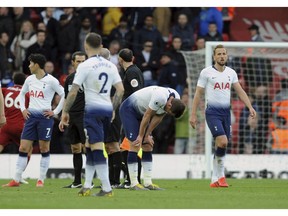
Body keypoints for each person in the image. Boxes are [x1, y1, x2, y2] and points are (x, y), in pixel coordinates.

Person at [60, 32, 124, 197]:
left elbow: (73, 92)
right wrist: (113, 108)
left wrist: (65, 111)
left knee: (96, 147)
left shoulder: (85, 66)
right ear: (101, 45)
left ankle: (107, 188)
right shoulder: (111, 65)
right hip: (106, 109)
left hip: (92, 111)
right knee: (88, 145)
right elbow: (120, 90)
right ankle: (87, 185)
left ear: (86, 46)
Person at [189, 44, 257, 188]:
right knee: (223, 141)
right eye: (218, 54)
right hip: (212, 113)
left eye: (223, 54)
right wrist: (193, 114)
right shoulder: (206, 73)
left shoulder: (231, 73)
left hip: (226, 113)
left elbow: (240, 91)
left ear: (226, 56)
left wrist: (250, 107)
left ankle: (215, 178)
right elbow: (198, 94)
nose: (221, 56)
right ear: (214, 57)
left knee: (222, 145)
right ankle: (221, 176)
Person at [3, 53, 65, 188]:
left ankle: (41, 180)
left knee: (44, 148)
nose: (29, 66)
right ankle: (16, 179)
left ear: (36, 65)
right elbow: (21, 95)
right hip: (31, 118)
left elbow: (63, 94)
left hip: (45, 119)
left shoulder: (52, 81)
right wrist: (23, 109)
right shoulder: (29, 79)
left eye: (31, 63)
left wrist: (55, 112)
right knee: (23, 147)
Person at [119, 85, 186, 190]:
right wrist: (141, 136)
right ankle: (133, 183)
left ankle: (147, 182)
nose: (167, 113)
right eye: (169, 112)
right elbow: (147, 116)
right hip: (130, 110)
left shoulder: (176, 98)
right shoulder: (160, 97)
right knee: (135, 144)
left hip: (143, 113)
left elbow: (159, 117)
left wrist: (147, 135)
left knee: (148, 145)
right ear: (169, 105)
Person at [107, 48, 144, 188]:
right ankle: (131, 179)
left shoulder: (132, 72)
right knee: (126, 147)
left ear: (120, 60)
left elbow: (137, 93)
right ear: (133, 58)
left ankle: (132, 180)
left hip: (132, 114)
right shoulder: (133, 70)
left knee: (128, 147)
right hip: (131, 113)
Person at [60, 51, 87, 188]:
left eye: (83, 61)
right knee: (75, 148)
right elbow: (66, 98)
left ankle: (89, 181)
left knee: (88, 148)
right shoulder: (69, 79)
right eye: (78, 61)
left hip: (85, 115)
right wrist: (63, 116)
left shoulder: (89, 78)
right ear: (73, 62)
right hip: (72, 117)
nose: (81, 64)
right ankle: (77, 182)